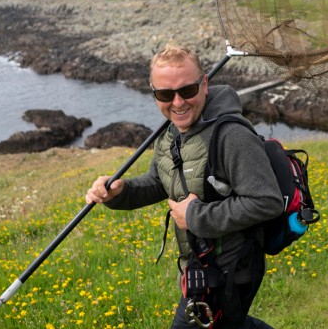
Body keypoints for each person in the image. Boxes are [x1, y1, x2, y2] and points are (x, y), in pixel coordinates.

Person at [86, 43, 283, 329]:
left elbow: (267, 201)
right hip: (201, 263)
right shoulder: (171, 133)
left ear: (204, 84)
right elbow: (159, 181)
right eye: (165, 94)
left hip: (232, 266)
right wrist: (120, 192)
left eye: (187, 91)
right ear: (154, 93)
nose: (177, 103)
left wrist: (194, 216)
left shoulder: (232, 136)